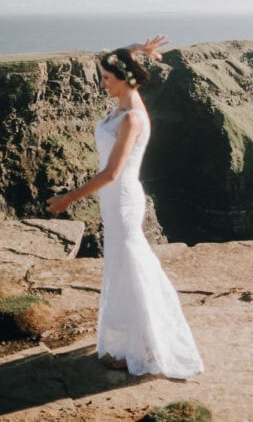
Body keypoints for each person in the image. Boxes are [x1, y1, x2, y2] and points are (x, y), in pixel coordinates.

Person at [46, 36, 204, 378]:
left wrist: (68, 199)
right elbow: (113, 57)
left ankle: (145, 348)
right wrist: (136, 49)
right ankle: (132, 342)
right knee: (121, 266)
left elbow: (113, 172)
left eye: (107, 78)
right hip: (112, 201)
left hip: (122, 199)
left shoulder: (132, 118)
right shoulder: (121, 108)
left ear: (125, 78)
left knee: (132, 267)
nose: (103, 83)